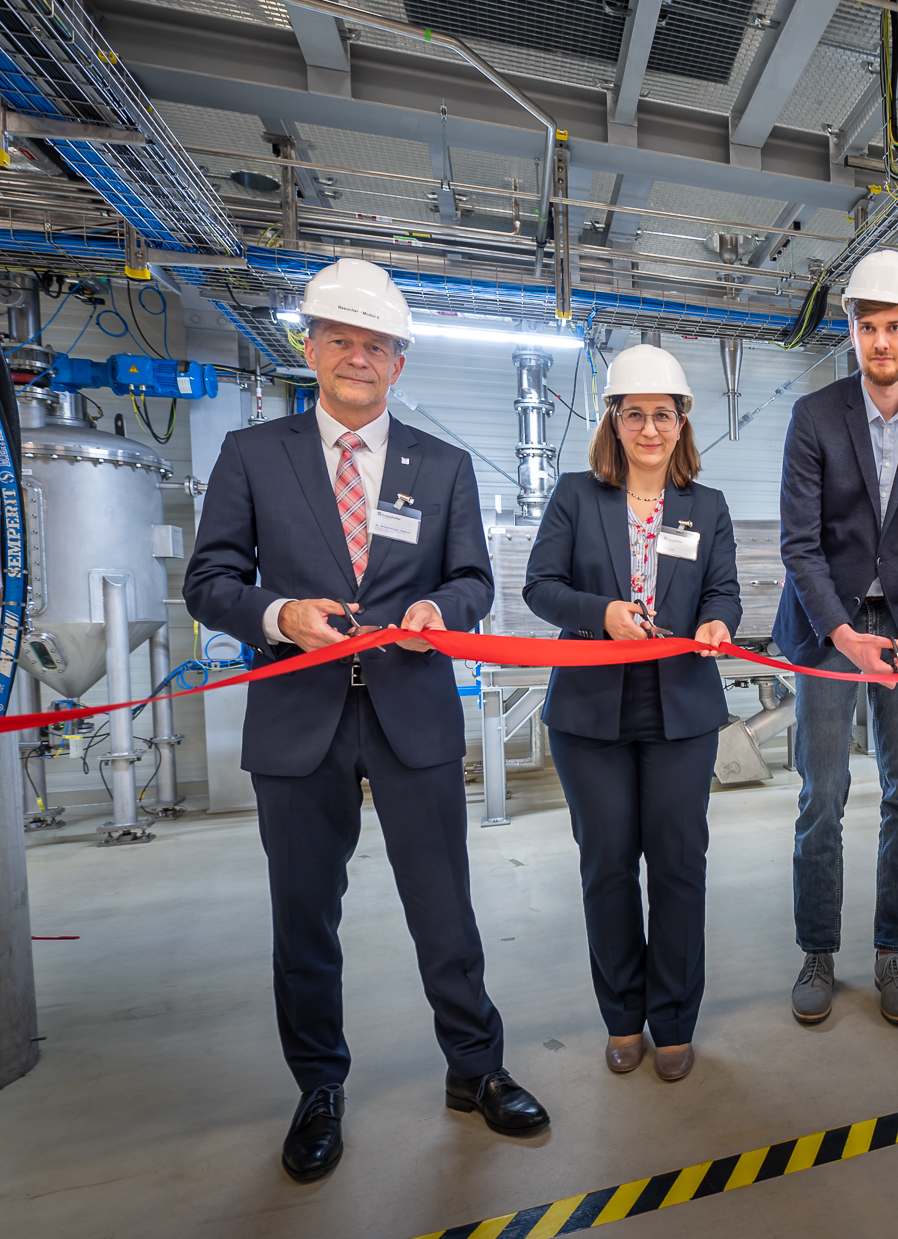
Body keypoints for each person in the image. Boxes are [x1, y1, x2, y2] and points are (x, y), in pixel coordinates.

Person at [183, 258, 548, 1183]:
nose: (357, 357)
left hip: (410, 709)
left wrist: (442, 613)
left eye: (375, 344)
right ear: (309, 348)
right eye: (340, 339)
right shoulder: (251, 456)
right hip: (299, 715)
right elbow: (210, 581)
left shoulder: (444, 464)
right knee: (304, 915)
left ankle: (477, 1067)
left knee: (445, 906)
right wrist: (279, 616)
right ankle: (319, 1087)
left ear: (400, 361)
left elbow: (474, 579)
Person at [521, 345, 740, 1083]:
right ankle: (623, 1014)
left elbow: (724, 591)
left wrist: (715, 623)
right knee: (608, 865)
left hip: (681, 709)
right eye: (635, 413)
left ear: (683, 423)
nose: (650, 428)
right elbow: (541, 587)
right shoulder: (577, 495)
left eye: (664, 414)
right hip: (591, 715)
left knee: (679, 865)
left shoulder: (705, 506)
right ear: (613, 421)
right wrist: (602, 613)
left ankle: (673, 1017)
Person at [774, 249, 898, 1027]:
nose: (881, 342)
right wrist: (839, 631)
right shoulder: (815, 417)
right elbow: (800, 545)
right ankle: (818, 951)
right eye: (868, 327)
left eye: (895, 326)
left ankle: (893, 950)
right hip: (827, 626)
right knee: (821, 794)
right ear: (852, 330)